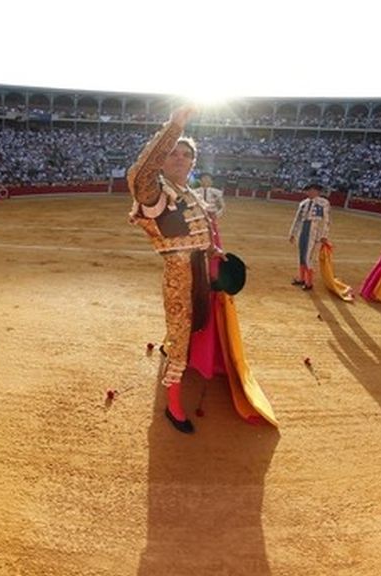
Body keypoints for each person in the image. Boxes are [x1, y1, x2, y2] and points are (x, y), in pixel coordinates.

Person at [127, 105, 219, 435]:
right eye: (174, 153)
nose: (180, 158)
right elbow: (139, 176)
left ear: (193, 163)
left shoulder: (187, 193)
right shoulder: (157, 192)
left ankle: (178, 359)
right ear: (164, 159)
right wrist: (174, 127)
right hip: (179, 275)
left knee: (198, 321)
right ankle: (174, 405)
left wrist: (212, 249)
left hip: (199, 268)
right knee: (180, 334)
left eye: (186, 154)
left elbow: (199, 232)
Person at [288, 183, 330, 291]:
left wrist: (324, 235)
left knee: (308, 257)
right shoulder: (303, 203)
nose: (308, 192)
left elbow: (326, 221)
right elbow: (297, 219)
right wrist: (293, 233)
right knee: (302, 256)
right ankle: (302, 279)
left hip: (313, 232)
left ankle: (309, 283)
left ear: (317, 191)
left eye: (311, 190)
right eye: (307, 190)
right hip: (303, 230)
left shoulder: (323, 203)